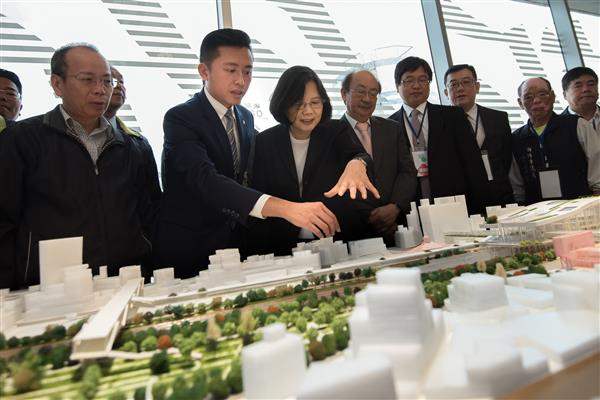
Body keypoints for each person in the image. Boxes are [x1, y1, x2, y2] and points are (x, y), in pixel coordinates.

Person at [157, 29, 379, 279]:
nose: (241, 81)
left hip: (237, 249)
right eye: (231, 70)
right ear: (204, 71)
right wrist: (288, 209)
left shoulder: (244, 117)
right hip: (192, 248)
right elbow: (205, 180)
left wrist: (357, 163)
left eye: (247, 71)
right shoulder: (181, 118)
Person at [0, 43, 159, 289]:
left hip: (129, 280)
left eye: (107, 81)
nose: (100, 90)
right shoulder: (21, 140)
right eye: (87, 80)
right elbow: (5, 220)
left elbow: (151, 215)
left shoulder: (134, 146)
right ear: (57, 84)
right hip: (50, 289)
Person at [250, 66, 375, 255]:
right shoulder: (265, 142)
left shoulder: (335, 131)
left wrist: (357, 163)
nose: (308, 111)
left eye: (315, 103)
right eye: (298, 104)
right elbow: (260, 197)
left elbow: (359, 155)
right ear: (283, 104)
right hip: (283, 247)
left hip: (336, 242)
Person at [388, 57, 489, 214]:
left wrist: (480, 210)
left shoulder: (453, 116)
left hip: (455, 204)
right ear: (397, 86)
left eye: (423, 80)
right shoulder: (389, 126)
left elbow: (473, 164)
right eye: (409, 80)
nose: (416, 86)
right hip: (410, 208)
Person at [336, 70, 416, 244]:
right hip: (355, 234)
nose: (367, 99)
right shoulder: (331, 134)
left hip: (398, 227)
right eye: (361, 91)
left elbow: (407, 172)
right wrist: (371, 217)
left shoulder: (392, 129)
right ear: (344, 94)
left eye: (373, 93)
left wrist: (395, 207)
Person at [104, 66, 162, 278]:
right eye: (111, 81)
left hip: (135, 256)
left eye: (121, 82)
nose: (118, 86)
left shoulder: (139, 142)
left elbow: (153, 200)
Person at [510, 77, 600, 204]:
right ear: (520, 103)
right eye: (528, 97)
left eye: (542, 94)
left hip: (580, 204)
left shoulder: (576, 124)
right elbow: (516, 183)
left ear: (552, 96)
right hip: (538, 209)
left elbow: (596, 163)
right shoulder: (517, 138)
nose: (536, 100)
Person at [444, 64, 514, 206]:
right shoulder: (441, 123)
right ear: (446, 92)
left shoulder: (498, 118)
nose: (460, 88)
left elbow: (506, 158)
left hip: (499, 195)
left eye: (466, 82)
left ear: (477, 87)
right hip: (462, 200)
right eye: (454, 84)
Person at [561, 66, 599, 132]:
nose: (586, 89)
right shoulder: (556, 126)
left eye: (591, 84)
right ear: (565, 95)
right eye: (578, 86)